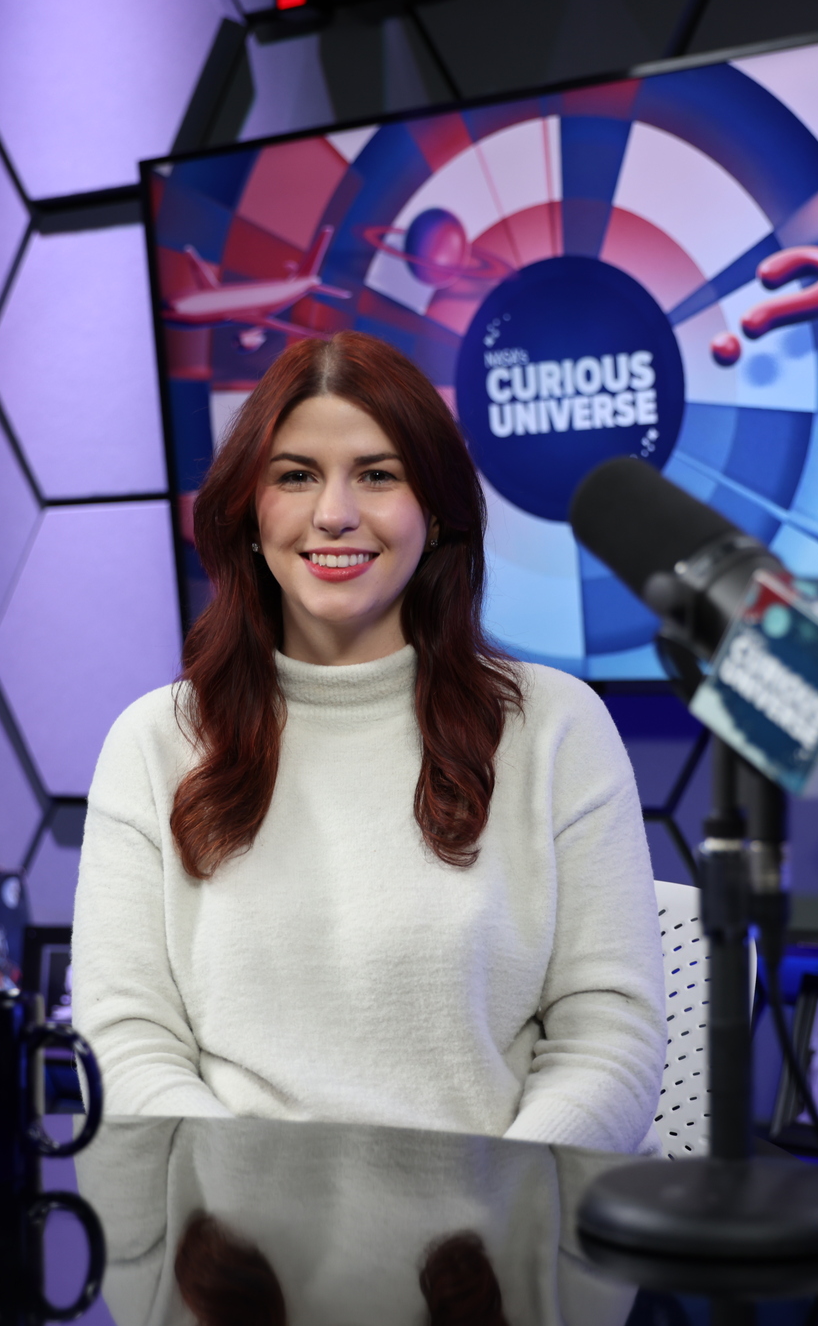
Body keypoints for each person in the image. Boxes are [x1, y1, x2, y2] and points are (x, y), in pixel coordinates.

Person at [72, 331, 666, 1155]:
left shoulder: (557, 727)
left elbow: (610, 1038)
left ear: (436, 512)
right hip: (234, 1256)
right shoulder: (154, 742)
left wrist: (502, 1218)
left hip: (501, 1252)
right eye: (295, 475)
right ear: (248, 513)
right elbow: (127, 1039)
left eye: (378, 474)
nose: (335, 513)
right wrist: (246, 1224)